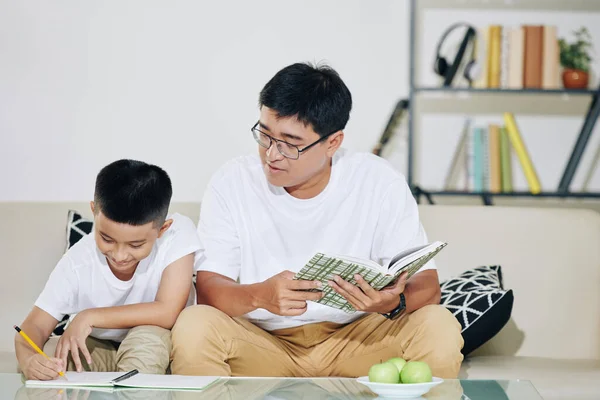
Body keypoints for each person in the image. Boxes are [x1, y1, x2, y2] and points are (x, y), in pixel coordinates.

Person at [171, 62, 464, 378]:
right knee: (194, 326)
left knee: (439, 327)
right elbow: (209, 288)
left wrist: (389, 304)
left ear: (333, 142)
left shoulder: (378, 181)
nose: (272, 154)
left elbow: (428, 288)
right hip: (262, 342)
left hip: (357, 339)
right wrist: (260, 295)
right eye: (265, 136)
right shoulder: (233, 181)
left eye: (290, 144)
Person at [15, 159, 201, 380]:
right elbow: (34, 325)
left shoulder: (177, 234)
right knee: (51, 361)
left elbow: (167, 311)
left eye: (136, 245)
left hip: (154, 336)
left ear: (162, 229)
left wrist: (88, 317)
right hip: (98, 345)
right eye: (106, 239)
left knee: (145, 347)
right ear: (94, 211)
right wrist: (29, 360)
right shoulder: (77, 261)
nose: (119, 255)